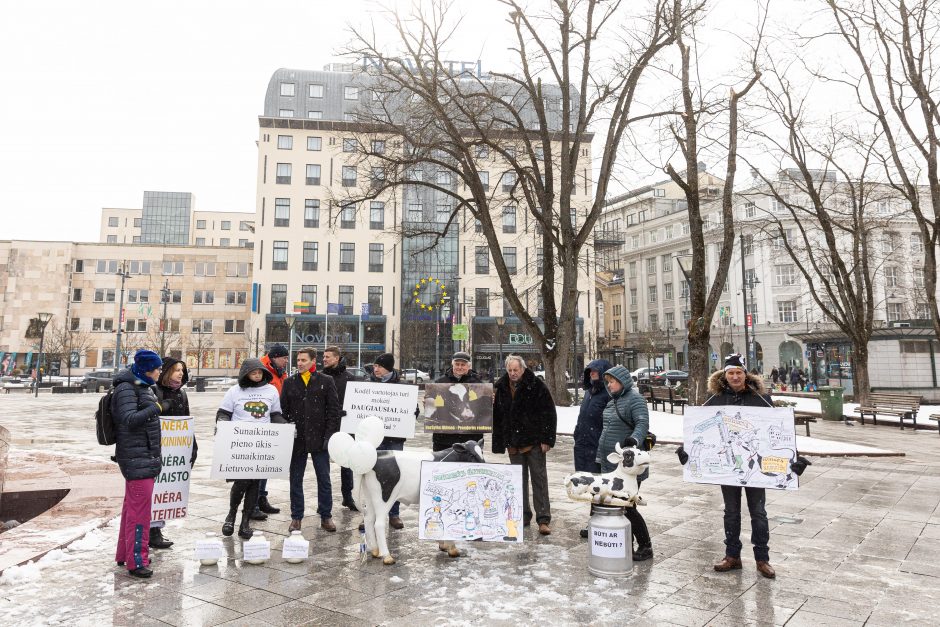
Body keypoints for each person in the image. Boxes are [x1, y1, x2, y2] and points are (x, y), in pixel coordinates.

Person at [700, 353, 777, 578]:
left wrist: (794, 458)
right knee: (731, 513)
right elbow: (704, 429)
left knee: (758, 513)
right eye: (731, 373)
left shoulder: (760, 398)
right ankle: (732, 555)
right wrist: (688, 451)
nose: (735, 376)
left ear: (745, 374)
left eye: (739, 372)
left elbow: (776, 429)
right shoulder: (715, 398)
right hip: (729, 467)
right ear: (725, 375)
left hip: (754, 467)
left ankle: (762, 558)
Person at [216, 358, 285, 540]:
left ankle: (245, 521)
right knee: (242, 480)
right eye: (254, 372)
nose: (257, 375)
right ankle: (231, 514)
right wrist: (222, 424)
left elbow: (275, 414)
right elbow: (224, 412)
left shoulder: (270, 391)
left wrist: (285, 426)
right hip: (240, 442)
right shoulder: (235, 391)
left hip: (261, 443)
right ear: (245, 373)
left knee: (255, 482)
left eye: (260, 372)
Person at [112, 349, 164, 579]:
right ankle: (137, 560)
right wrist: (157, 408)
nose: (160, 372)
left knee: (131, 509)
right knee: (139, 513)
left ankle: (126, 554)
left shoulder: (142, 386)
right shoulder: (127, 388)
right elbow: (129, 419)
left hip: (143, 456)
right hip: (136, 457)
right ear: (146, 369)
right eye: (158, 368)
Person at [492, 355, 556, 536]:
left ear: (523, 369)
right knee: (517, 483)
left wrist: (547, 439)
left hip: (534, 441)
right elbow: (498, 416)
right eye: (510, 370)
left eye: (516, 370)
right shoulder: (501, 387)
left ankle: (543, 519)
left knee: (539, 480)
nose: (513, 373)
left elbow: (548, 412)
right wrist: (500, 442)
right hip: (513, 442)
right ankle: (523, 516)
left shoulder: (536, 385)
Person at [595, 365, 653, 561]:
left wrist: (633, 441)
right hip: (610, 463)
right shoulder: (612, 402)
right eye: (608, 382)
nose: (609, 385)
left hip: (628, 465)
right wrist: (599, 457)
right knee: (614, 505)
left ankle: (645, 546)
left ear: (622, 381)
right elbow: (605, 431)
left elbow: (642, 423)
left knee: (627, 505)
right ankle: (624, 544)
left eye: (612, 381)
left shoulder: (635, 399)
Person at [284, 347, 342, 532]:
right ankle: (296, 517)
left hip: (320, 439)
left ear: (312, 361)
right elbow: (283, 411)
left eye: (303, 360)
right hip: (297, 439)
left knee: (324, 479)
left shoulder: (326, 380)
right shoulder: (290, 382)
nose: (299, 363)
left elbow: (334, 411)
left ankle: (326, 516)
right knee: (295, 479)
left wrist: (329, 437)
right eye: (298, 360)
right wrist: (288, 429)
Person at [148, 356, 197, 550]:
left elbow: (186, 421)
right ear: (167, 371)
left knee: (167, 488)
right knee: (155, 489)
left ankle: (157, 528)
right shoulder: (154, 391)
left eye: (182, 371)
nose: (181, 373)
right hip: (158, 447)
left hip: (175, 448)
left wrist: (192, 445)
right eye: (177, 370)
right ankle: (152, 530)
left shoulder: (181, 394)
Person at [369, 353, 410, 529]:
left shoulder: (402, 386)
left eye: (378, 366)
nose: (375, 369)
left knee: (394, 475)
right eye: (374, 366)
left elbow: (411, 410)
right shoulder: (368, 384)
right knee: (372, 476)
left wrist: (410, 412)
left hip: (394, 438)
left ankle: (394, 514)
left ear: (388, 367)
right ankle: (372, 515)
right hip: (374, 437)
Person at [573, 359, 612, 539]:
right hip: (583, 445)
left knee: (599, 489)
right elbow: (583, 417)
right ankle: (595, 522)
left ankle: (598, 524)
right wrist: (577, 434)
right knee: (591, 488)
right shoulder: (590, 393)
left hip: (596, 447)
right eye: (590, 371)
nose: (592, 373)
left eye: (595, 371)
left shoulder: (607, 395)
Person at [321, 345, 362, 511]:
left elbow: (357, 401)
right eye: (323, 357)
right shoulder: (320, 376)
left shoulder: (349, 378)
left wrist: (348, 411)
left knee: (347, 463)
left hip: (345, 424)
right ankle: (325, 501)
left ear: (337, 358)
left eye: (327, 357)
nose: (324, 359)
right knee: (324, 463)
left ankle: (348, 496)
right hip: (325, 425)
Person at [253, 344, 290, 519]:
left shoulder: (281, 373)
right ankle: (252, 503)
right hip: (261, 424)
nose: (286, 361)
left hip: (275, 422)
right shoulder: (261, 371)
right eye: (284, 358)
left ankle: (261, 498)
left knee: (265, 464)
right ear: (275, 357)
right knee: (256, 464)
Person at [431, 351, 484, 453]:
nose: (459, 367)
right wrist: (429, 403)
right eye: (457, 364)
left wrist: (491, 401)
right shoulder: (440, 383)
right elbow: (435, 408)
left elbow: (482, 409)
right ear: (452, 364)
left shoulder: (477, 383)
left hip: (470, 439)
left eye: (463, 365)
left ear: (468, 366)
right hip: (444, 439)